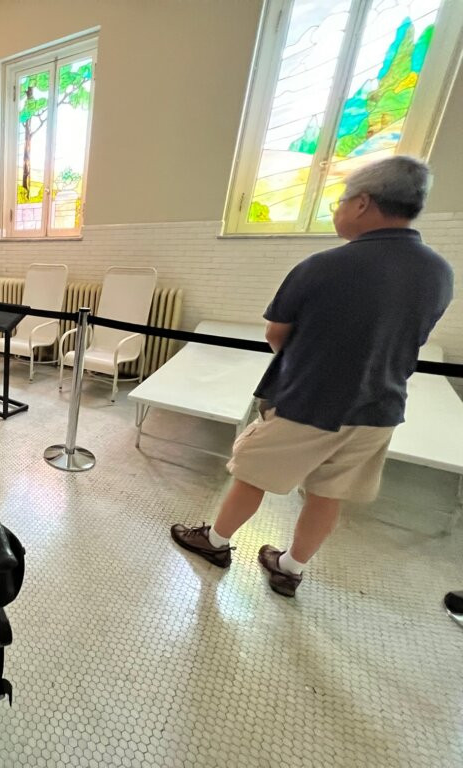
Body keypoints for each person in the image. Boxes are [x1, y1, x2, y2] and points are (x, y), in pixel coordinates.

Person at [170, 156, 453, 598]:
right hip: (381, 406)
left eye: (340, 201)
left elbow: (277, 333)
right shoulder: (439, 271)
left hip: (312, 401)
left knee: (252, 473)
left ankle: (216, 541)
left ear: (362, 203)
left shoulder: (324, 266)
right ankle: (290, 567)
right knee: (329, 492)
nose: (337, 211)